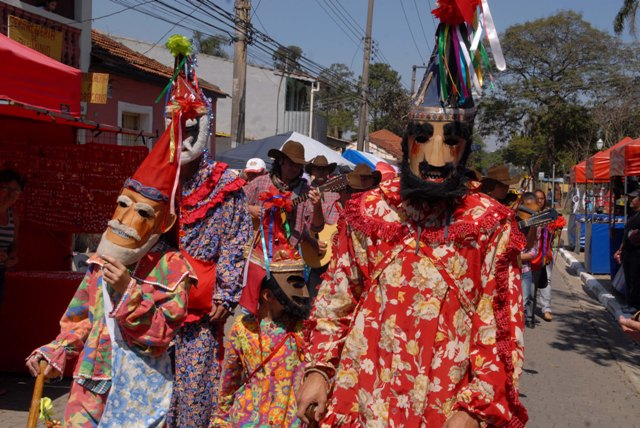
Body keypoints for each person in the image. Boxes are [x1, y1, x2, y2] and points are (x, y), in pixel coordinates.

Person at [296, 3, 527, 425]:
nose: (436, 155)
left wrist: (474, 409)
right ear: (406, 143)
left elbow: (499, 328)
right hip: (363, 397)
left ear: (467, 148)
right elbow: (335, 302)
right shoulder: (367, 211)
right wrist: (317, 370)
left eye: (451, 140)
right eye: (423, 137)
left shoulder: (489, 224)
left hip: (445, 405)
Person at [25, 120, 194, 426]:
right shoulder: (99, 262)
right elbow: (79, 321)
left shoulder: (173, 268)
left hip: (140, 391)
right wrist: (55, 353)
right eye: (123, 205)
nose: (126, 219)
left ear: (164, 223)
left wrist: (130, 289)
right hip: (91, 381)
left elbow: (161, 334)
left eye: (143, 213)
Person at [160, 38, 253, 428]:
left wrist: (228, 292)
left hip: (200, 305)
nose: (183, 133)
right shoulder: (157, 178)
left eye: (191, 124)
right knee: (155, 387)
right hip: (155, 305)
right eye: (175, 124)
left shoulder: (225, 183)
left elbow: (236, 239)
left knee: (195, 387)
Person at [212, 265, 311, 427]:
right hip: (250, 419)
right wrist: (221, 419)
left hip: (290, 420)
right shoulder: (243, 328)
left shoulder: (303, 327)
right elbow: (229, 381)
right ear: (267, 295)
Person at [240, 139, 324, 315]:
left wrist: (317, 206)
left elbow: (317, 226)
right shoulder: (260, 183)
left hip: (291, 255)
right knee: (256, 303)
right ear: (281, 161)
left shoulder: (305, 190)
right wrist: (251, 209)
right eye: (291, 164)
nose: (294, 168)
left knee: (292, 307)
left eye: (298, 165)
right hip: (259, 252)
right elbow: (234, 204)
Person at [304, 156, 340, 296]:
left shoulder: (336, 190)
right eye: (317, 168)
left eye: (324, 169)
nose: (321, 172)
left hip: (332, 247)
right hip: (310, 247)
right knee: (312, 291)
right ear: (312, 170)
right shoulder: (305, 191)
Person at [0, 169, 25, 306]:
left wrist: (12, 257)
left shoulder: (13, 218)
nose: (10, 194)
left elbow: (14, 244)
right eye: (6, 188)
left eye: (16, 190)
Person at [614, 188, 640, 310]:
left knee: (635, 279)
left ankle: (635, 305)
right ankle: (630, 304)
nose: (630, 199)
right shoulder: (632, 214)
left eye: (633, 198)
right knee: (629, 278)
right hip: (627, 252)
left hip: (637, 253)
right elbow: (626, 233)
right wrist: (620, 249)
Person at [518, 192, 540, 328]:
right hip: (509, 270)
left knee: (524, 301)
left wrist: (517, 257)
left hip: (525, 270)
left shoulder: (534, 227)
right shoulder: (511, 222)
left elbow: (533, 252)